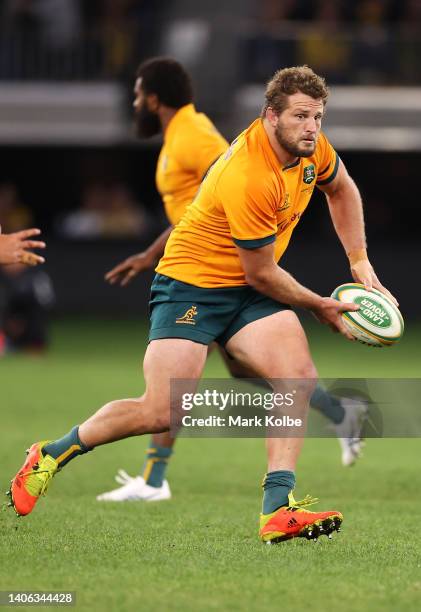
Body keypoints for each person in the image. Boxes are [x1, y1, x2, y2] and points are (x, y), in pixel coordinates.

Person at [8, 65, 396, 543]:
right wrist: (319, 304)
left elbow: (342, 189)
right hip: (192, 284)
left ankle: (277, 509)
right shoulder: (249, 172)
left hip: (248, 285)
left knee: (295, 377)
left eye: (317, 116)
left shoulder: (311, 149)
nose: (311, 127)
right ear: (270, 116)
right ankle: (49, 454)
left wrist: (359, 262)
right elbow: (262, 272)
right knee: (163, 411)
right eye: (300, 116)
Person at [98, 58, 369, 505]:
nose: (133, 103)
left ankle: (153, 478)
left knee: (176, 387)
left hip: (214, 271)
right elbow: (200, 205)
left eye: (137, 94)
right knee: (241, 371)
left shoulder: (193, 136)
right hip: (200, 266)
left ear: (151, 97)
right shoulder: (175, 138)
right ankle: (339, 412)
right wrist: (152, 253)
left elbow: (229, 181)